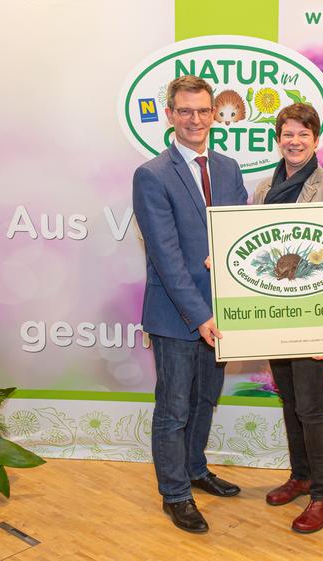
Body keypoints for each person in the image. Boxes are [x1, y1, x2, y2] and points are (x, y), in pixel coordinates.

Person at [133, 75, 247, 534]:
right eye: (185, 111)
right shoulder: (152, 174)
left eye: (203, 111)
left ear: (213, 114)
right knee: (174, 408)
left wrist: (228, 257)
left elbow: (241, 228)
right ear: (170, 115)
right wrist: (199, 316)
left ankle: (196, 470)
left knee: (204, 399)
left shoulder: (227, 167)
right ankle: (175, 493)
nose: (196, 119)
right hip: (179, 315)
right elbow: (164, 255)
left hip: (223, 310)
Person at [253, 103, 323, 533]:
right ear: (278, 139)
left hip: (314, 318)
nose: (294, 141)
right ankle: (301, 475)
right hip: (277, 314)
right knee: (290, 400)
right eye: (287, 133)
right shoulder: (261, 189)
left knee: (312, 407)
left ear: (316, 140)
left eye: (303, 134)